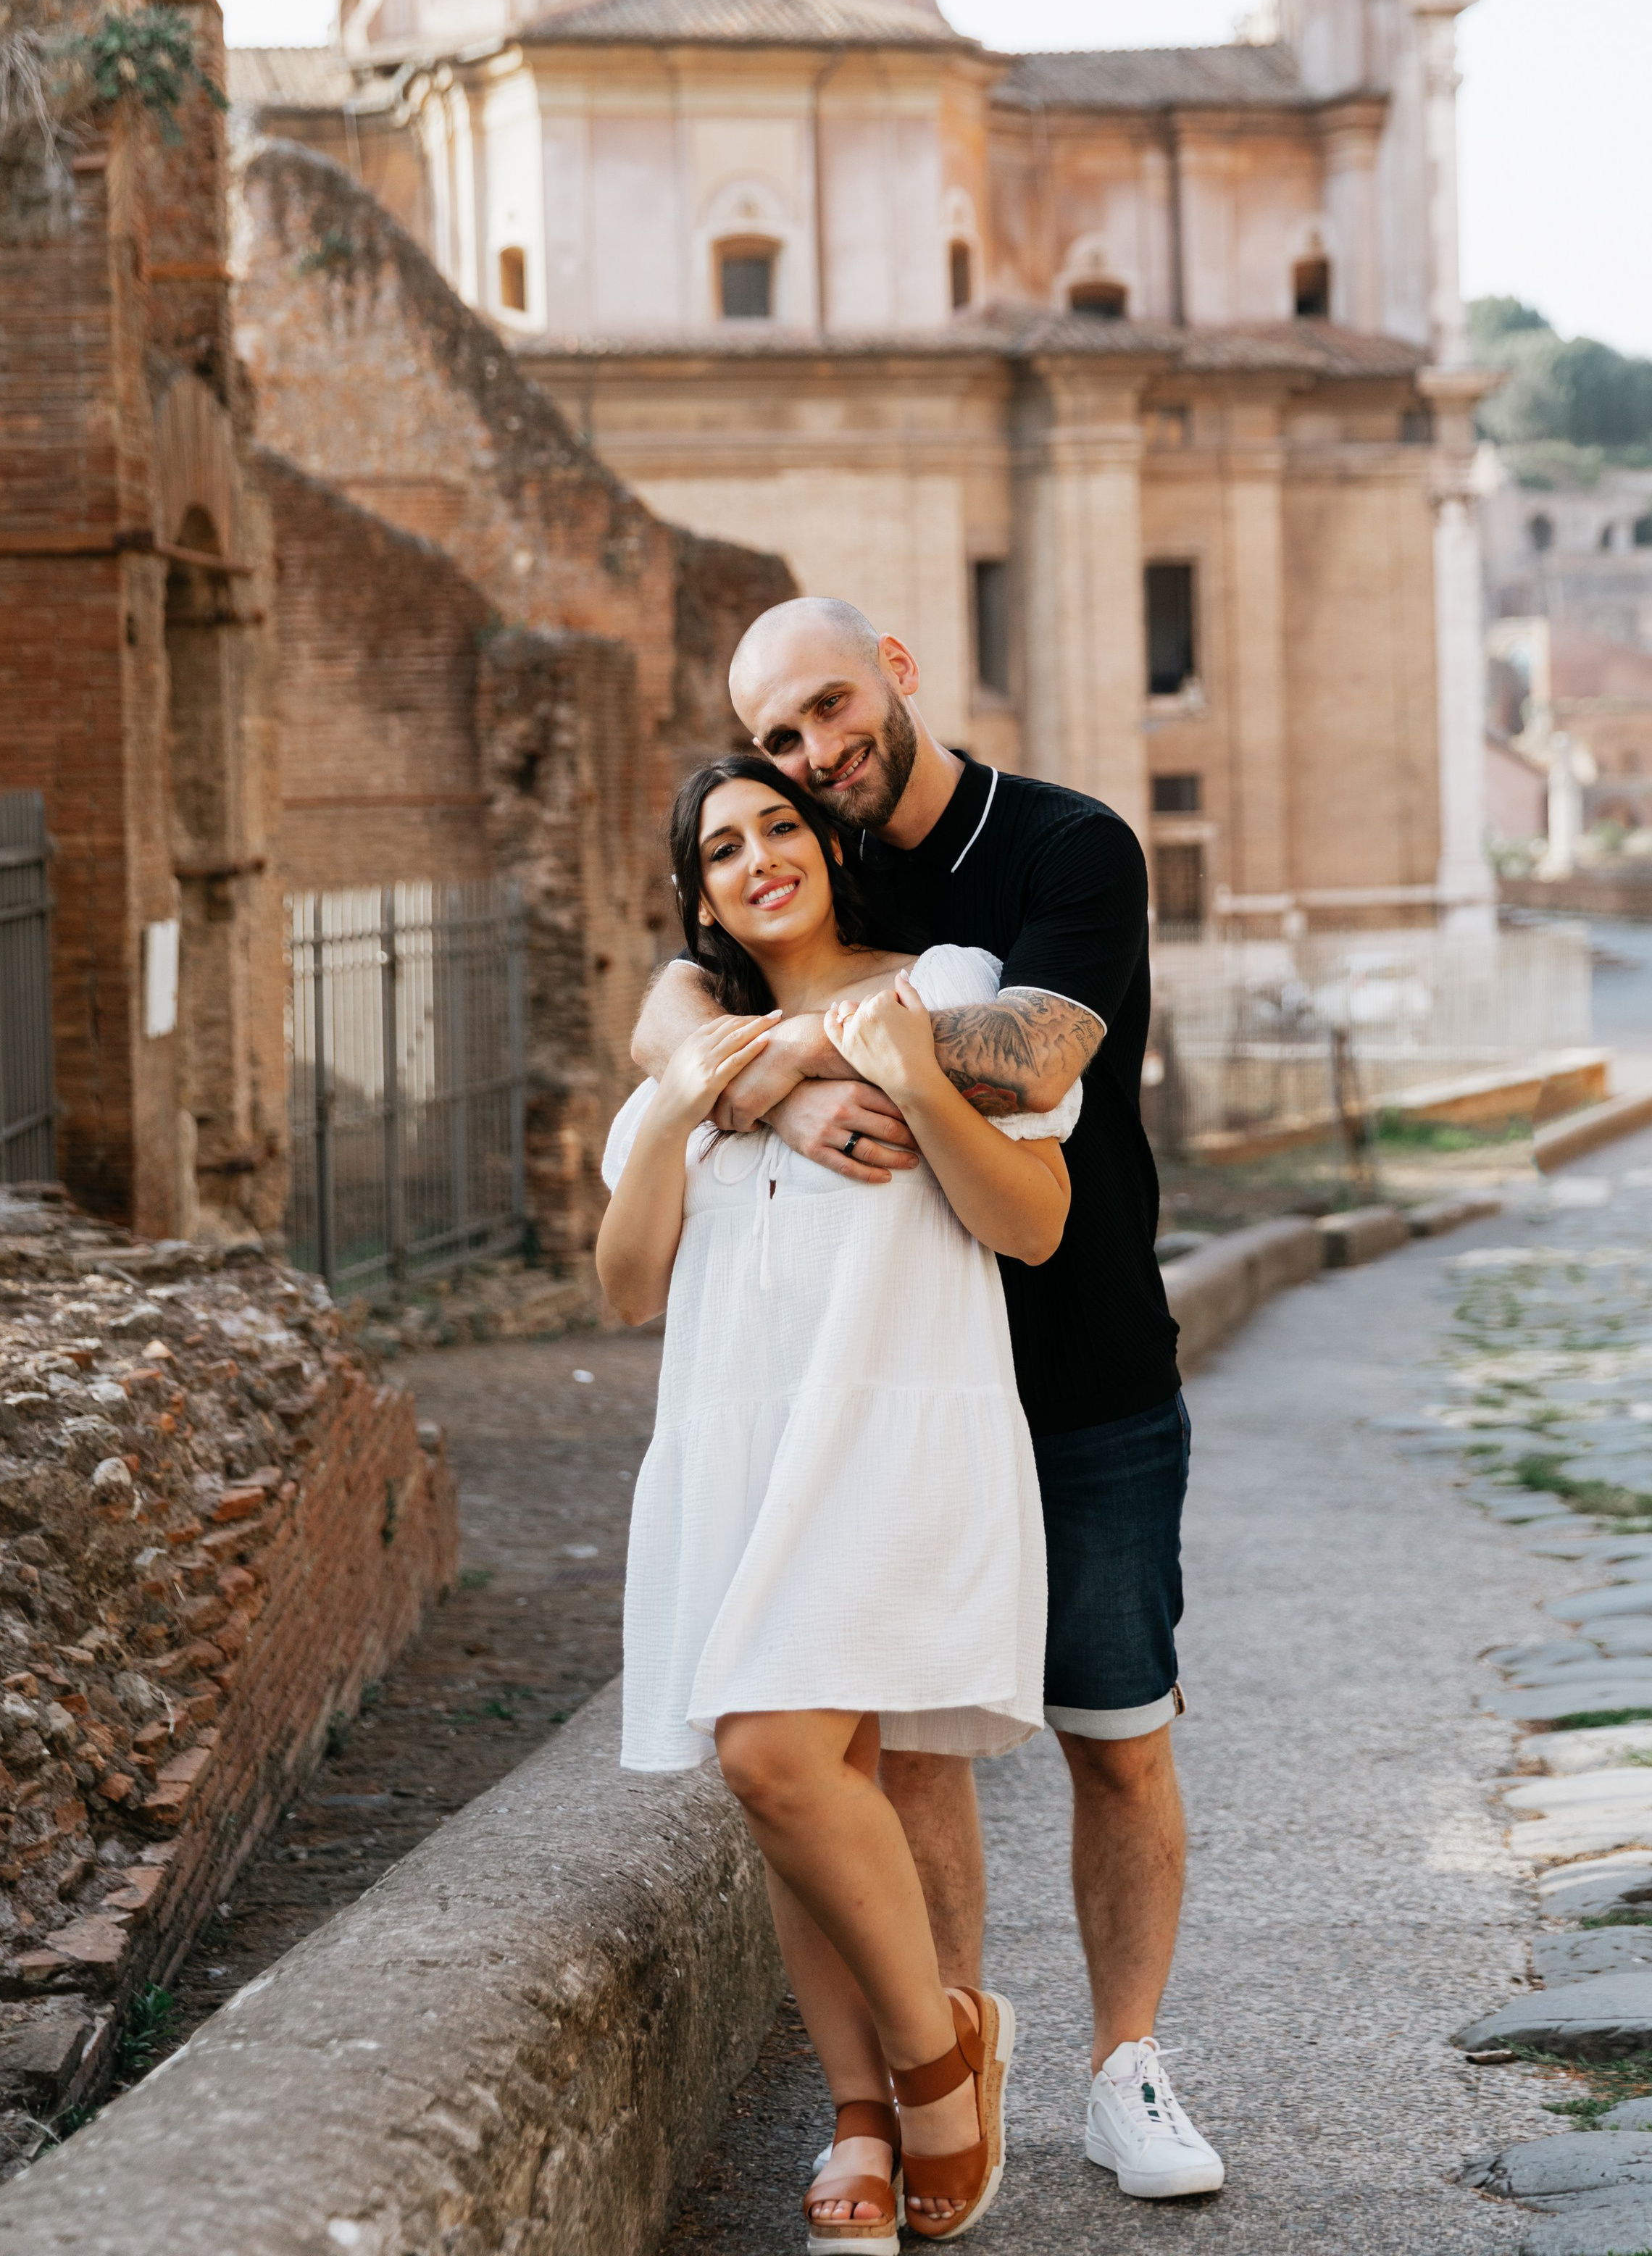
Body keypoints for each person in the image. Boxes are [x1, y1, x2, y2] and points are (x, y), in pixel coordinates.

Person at [630, 598, 1226, 2203]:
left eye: (828, 710)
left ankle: (1124, 2065)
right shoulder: (811, 854)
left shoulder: (1067, 847)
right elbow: (667, 1004)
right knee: (902, 1760)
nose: (814, 756)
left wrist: (795, 1060)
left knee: (1115, 1737)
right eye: (778, 740)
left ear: (896, 670)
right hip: (881, 1394)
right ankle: (944, 2053)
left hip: (1076, 1367)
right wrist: (761, 1057)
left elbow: (1029, 1057)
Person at [598, 752, 1082, 2245]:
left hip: (890, 1439)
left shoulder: (939, 987)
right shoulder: (685, 1063)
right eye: (723, 848)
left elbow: (1035, 1223)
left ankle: (938, 2066)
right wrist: (694, 1098)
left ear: (822, 847)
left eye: (778, 828)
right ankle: (862, 2118)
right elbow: (622, 1287)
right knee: (809, 1791)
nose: (759, 859)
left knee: (774, 1757)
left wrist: (897, 1076)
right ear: (698, 900)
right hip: (739, 1451)